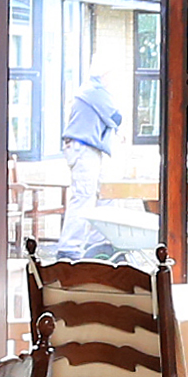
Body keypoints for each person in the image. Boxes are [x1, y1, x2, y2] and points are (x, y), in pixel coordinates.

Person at [56, 72, 123, 255]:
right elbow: (115, 117)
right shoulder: (96, 91)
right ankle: (68, 248)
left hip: (88, 149)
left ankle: (99, 244)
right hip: (84, 148)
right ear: (104, 76)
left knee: (105, 194)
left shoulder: (90, 90)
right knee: (84, 197)